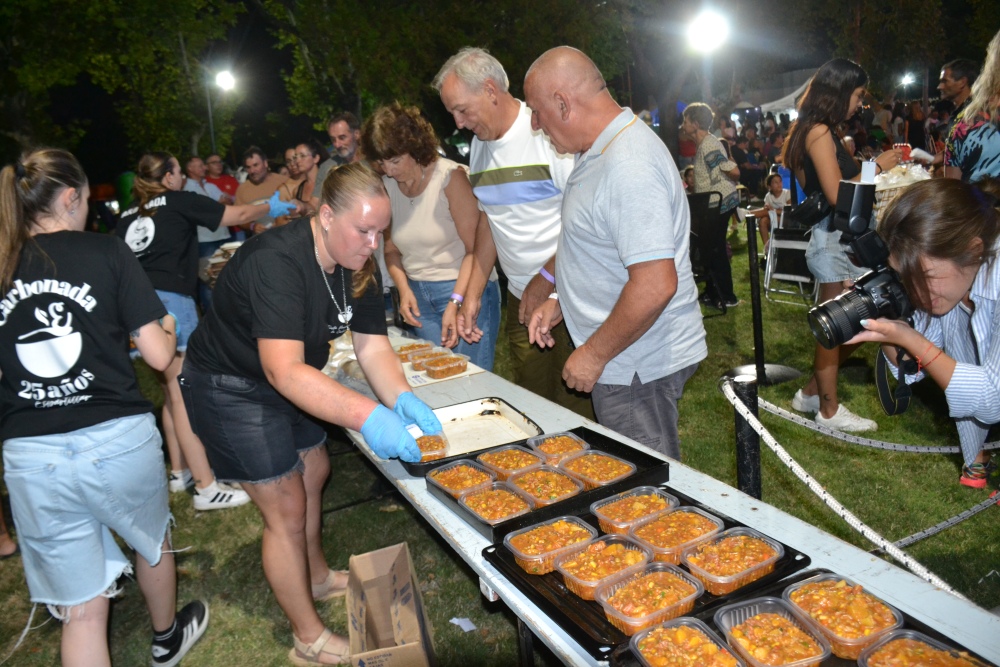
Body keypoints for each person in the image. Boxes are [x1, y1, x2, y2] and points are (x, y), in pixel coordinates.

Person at [180, 162, 440, 665]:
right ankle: (309, 639)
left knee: (316, 467)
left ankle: (317, 577)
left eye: (380, 231)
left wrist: (401, 398)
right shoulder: (277, 261)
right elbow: (283, 372)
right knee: (286, 507)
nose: (372, 243)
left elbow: (371, 347)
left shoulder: (358, 262)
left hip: (287, 374)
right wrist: (369, 417)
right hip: (231, 383)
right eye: (362, 230)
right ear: (324, 216)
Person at [0, 148, 208, 666]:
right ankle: (166, 638)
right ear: (70, 197)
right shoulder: (107, 253)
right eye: (86, 199)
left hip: (31, 452)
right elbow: (160, 355)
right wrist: (168, 325)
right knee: (151, 540)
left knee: (84, 611)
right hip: (115, 437)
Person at [524, 46, 707, 460]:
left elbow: (656, 284)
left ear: (562, 103)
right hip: (628, 361)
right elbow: (601, 245)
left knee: (646, 501)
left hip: (635, 367)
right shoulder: (599, 148)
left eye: (537, 110)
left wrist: (593, 353)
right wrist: (561, 301)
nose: (535, 123)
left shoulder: (628, 163)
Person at [118, 151, 295, 510]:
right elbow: (238, 215)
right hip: (170, 303)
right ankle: (206, 485)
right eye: (178, 171)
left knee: (169, 390)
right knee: (185, 393)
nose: (182, 176)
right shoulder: (178, 200)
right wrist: (270, 208)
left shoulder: (126, 215)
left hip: (136, 307)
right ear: (167, 178)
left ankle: (180, 470)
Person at [433, 46, 594, 419]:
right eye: (452, 113)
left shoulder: (544, 132)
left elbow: (584, 222)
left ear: (490, 90)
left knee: (579, 410)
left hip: (570, 295)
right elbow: (490, 220)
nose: (458, 122)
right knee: (535, 409)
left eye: (462, 109)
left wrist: (550, 281)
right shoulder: (479, 146)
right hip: (521, 299)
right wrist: (470, 295)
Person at [850, 178, 1000, 488]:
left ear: (974, 250)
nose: (917, 293)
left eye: (927, 276)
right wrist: (886, 322)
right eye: (908, 278)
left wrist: (909, 338)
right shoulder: (950, 278)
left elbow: (993, 398)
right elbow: (914, 369)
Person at [782, 58, 901, 432]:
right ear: (838, 92)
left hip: (833, 238)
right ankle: (829, 411)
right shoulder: (817, 132)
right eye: (858, 94)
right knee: (838, 325)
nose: (860, 103)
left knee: (846, 323)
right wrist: (878, 167)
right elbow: (836, 194)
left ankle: (811, 394)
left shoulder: (815, 129)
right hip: (832, 238)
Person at [361, 102, 501, 370]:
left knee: (470, 380)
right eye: (382, 162)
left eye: (395, 160)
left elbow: (476, 249)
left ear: (414, 147)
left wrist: (456, 301)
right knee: (433, 379)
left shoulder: (449, 178)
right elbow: (391, 250)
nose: (389, 170)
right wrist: (404, 290)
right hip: (418, 297)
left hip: (465, 290)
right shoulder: (388, 187)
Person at [682, 102, 741, 309]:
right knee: (711, 248)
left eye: (686, 121)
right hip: (715, 204)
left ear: (696, 124)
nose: (683, 125)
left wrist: (726, 171)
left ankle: (727, 296)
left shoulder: (708, 144)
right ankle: (713, 291)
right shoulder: (705, 143)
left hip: (720, 202)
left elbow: (733, 172)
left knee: (715, 249)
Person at [945, 29, 1000, 184]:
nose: (940, 87)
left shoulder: (965, 124)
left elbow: (953, 190)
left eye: (945, 81)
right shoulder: (965, 122)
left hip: (978, 206)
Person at [183, 156, 231, 310]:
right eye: (199, 166)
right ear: (190, 169)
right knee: (207, 278)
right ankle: (210, 316)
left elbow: (228, 203)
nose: (203, 168)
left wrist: (219, 204)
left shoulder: (210, 186)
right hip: (204, 240)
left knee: (225, 276)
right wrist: (218, 204)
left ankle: (226, 311)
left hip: (223, 235)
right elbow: (200, 211)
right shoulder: (187, 189)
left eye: (203, 166)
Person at [313, 113, 363, 213]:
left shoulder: (375, 162)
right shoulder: (327, 167)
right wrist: (301, 206)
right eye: (333, 139)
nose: (337, 144)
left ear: (356, 134)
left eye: (342, 137)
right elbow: (315, 204)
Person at [235, 147, 289, 233]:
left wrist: (281, 222)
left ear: (265, 163)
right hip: (259, 241)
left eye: (256, 165)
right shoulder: (242, 189)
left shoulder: (284, 182)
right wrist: (252, 226)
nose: (252, 171)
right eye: (248, 167)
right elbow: (238, 218)